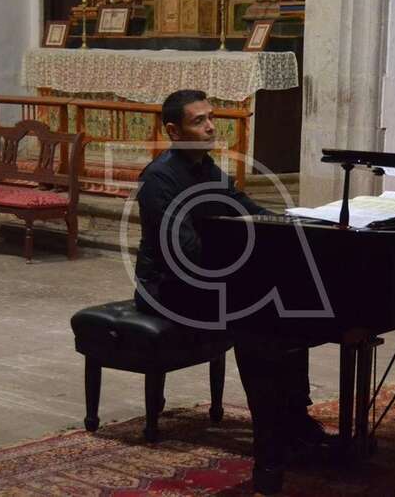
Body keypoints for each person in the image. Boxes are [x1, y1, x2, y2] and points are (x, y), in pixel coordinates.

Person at [134, 89, 331, 494]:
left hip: (208, 278)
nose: (211, 127)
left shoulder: (208, 169)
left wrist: (296, 225)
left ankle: (294, 417)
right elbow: (183, 252)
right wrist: (242, 269)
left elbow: (247, 209)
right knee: (259, 314)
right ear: (173, 131)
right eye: (199, 121)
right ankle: (274, 435)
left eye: (211, 118)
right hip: (166, 286)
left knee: (290, 306)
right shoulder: (159, 179)